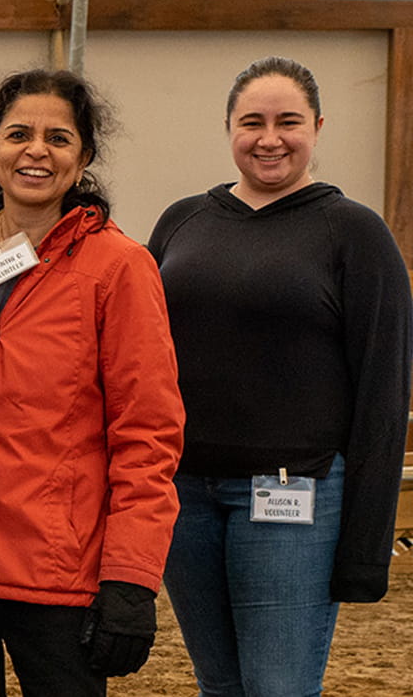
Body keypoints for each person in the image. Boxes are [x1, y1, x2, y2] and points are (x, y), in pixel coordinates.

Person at [0, 69, 184, 696]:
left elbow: (148, 433)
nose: (36, 151)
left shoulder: (119, 270)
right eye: (18, 134)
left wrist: (131, 575)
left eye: (59, 138)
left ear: (84, 157)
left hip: (56, 571)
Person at [147, 56, 412, 696]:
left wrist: (365, 548)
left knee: (277, 689)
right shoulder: (182, 221)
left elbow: (384, 391)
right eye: (253, 122)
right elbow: (142, 358)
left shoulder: (354, 233)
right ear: (229, 129)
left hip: (295, 495)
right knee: (221, 686)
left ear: (317, 126)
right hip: (186, 497)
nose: (270, 139)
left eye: (288, 121)